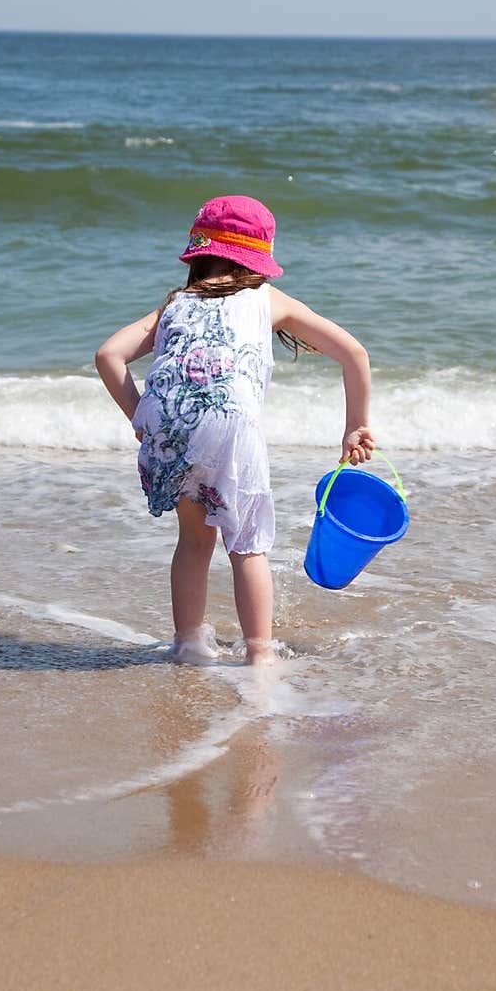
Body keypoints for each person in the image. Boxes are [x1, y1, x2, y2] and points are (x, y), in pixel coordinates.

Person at [94, 196, 374, 666]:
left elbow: (108, 355)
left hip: (170, 424)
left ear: (200, 253)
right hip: (228, 425)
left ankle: (187, 645)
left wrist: (143, 418)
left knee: (193, 540)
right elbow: (354, 353)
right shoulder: (266, 298)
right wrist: (356, 425)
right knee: (247, 545)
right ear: (258, 256)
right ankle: (260, 655)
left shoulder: (176, 303)